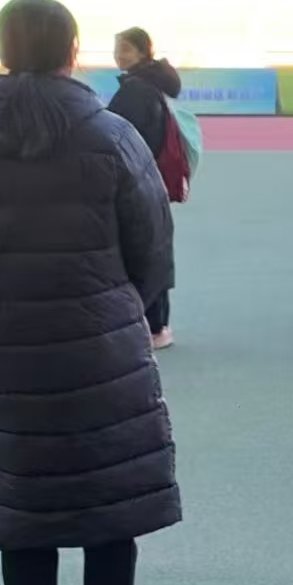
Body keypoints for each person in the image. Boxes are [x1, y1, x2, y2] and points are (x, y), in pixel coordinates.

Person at [0, 0, 179, 585]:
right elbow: (152, 243)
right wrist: (114, 302)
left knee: (25, 504)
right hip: (100, 342)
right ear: (72, 51)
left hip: (5, 343)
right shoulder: (108, 132)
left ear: (2, 49)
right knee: (108, 501)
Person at [106, 26, 181, 348]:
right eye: (117, 49)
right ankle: (156, 324)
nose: (119, 55)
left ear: (142, 51)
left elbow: (117, 135)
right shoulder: (149, 84)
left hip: (136, 179)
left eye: (125, 49)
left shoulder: (136, 90)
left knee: (139, 250)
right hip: (149, 179)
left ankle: (152, 325)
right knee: (152, 247)